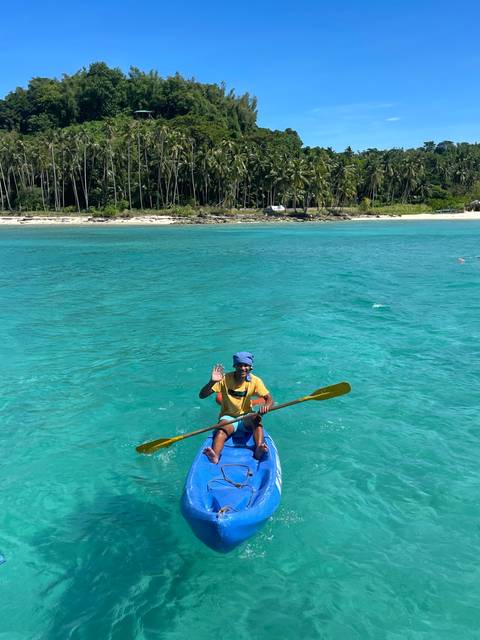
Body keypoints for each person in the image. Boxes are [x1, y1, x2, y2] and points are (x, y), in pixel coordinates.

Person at [199, 351, 273, 464]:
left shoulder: (255, 381)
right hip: (229, 418)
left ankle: (258, 449)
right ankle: (215, 457)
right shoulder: (224, 379)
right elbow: (202, 395)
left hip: (246, 417)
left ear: (250, 367)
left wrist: (266, 406)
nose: (243, 368)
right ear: (235, 366)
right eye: (239, 365)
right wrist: (212, 382)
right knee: (221, 431)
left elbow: (269, 399)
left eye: (246, 365)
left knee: (256, 419)